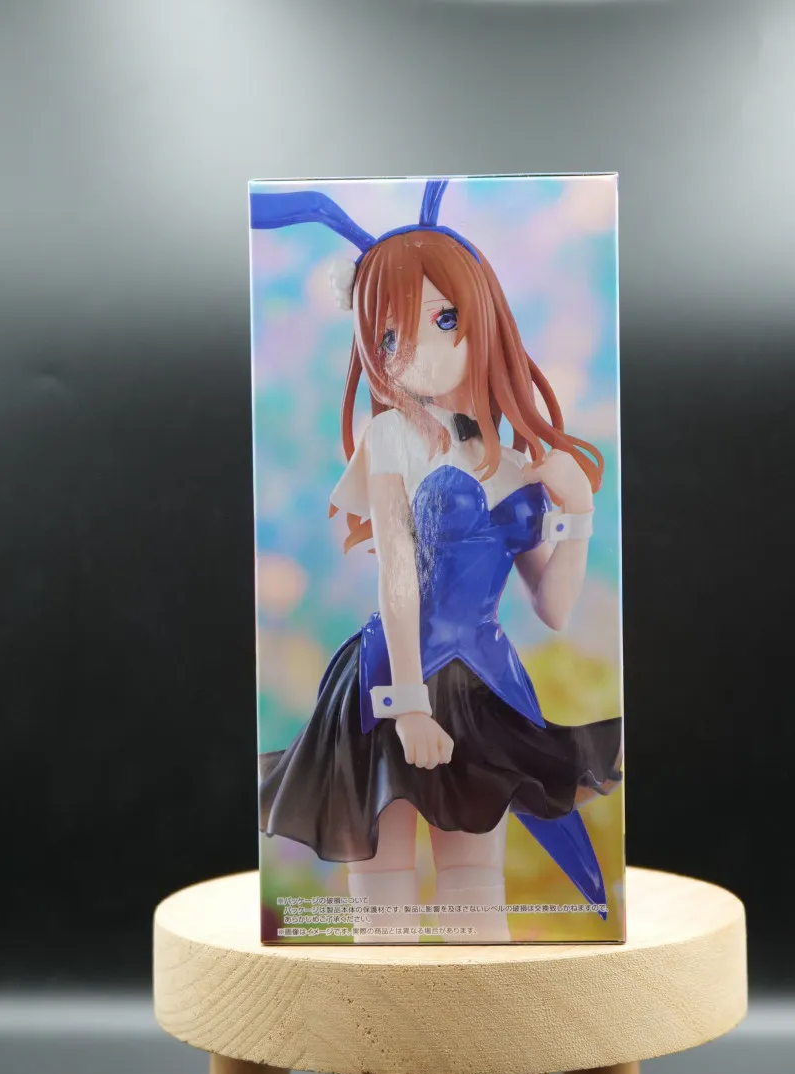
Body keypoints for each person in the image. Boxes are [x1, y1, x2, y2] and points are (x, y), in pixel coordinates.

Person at [254, 180, 622, 942]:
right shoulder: (390, 438)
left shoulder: (516, 459)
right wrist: (409, 705)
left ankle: (477, 1016)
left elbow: (553, 609)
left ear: (482, 316)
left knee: (474, 894)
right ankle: (377, 1012)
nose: (418, 353)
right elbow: (397, 571)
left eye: (443, 319)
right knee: (382, 891)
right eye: (390, 338)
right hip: (391, 679)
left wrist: (578, 511)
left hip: (484, 685)